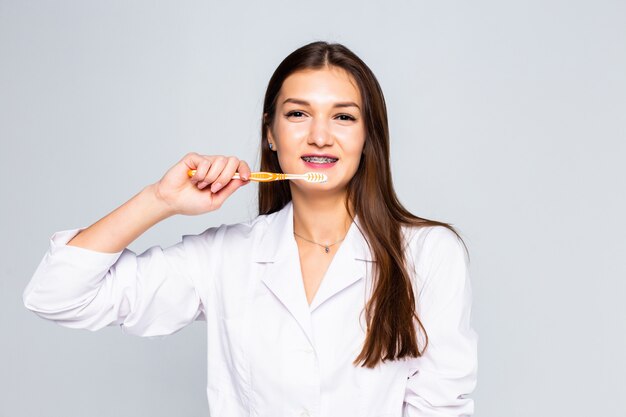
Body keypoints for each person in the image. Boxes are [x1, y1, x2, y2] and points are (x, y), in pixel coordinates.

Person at [23, 41, 478, 416]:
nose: (320, 135)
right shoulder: (224, 256)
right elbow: (57, 294)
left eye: (343, 116)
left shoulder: (428, 253)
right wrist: (159, 201)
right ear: (270, 134)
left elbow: (440, 405)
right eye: (298, 114)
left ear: (367, 136)